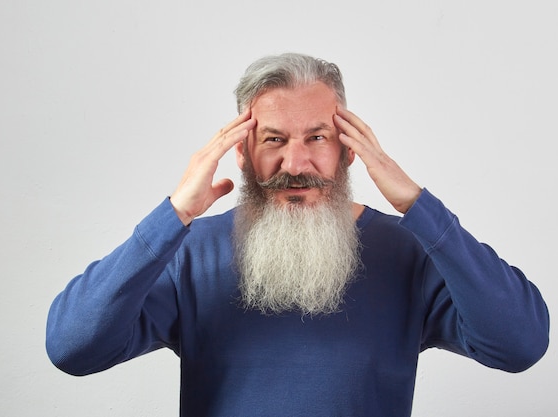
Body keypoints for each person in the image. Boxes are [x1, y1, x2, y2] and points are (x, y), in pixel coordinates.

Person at [46, 53, 549, 416]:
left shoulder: (409, 250)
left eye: (317, 138)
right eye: (274, 140)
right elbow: (72, 347)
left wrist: (417, 206)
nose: (296, 163)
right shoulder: (190, 251)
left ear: (349, 150)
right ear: (241, 153)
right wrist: (174, 214)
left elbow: (520, 344)